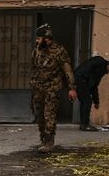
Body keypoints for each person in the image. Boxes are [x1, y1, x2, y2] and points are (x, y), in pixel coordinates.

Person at [30, 24, 77, 152]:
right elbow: (34, 68)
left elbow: (68, 70)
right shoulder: (37, 50)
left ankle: (49, 142)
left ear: (46, 38)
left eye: (39, 38)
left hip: (52, 88)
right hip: (38, 88)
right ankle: (43, 139)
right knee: (39, 115)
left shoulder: (59, 51)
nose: (36, 41)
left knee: (49, 115)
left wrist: (72, 88)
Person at [74, 55, 109, 131]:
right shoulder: (101, 61)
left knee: (86, 101)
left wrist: (96, 101)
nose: (108, 72)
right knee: (87, 101)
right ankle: (84, 124)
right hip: (80, 79)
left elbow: (94, 87)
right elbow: (90, 64)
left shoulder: (100, 73)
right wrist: (86, 76)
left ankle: (84, 124)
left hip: (81, 80)